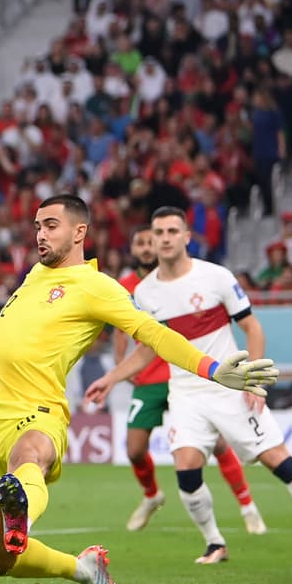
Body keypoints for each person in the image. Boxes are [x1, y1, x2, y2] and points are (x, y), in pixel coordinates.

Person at [0, 195, 279, 584]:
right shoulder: (34, 276)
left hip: (38, 411)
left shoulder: (98, 287)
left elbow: (154, 333)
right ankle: (82, 569)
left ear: (79, 232)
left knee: (29, 456)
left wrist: (214, 368)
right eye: (37, 226)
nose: (40, 234)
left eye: (51, 225)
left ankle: (23, 512)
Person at [86, 207, 292, 564]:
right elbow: (147, 350)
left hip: (228, 386)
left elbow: (253, 328)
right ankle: (215, 542)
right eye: (159, 232)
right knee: (186, 469)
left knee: (278, 461)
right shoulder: (145, 293)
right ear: (152, 239)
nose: (166, 238)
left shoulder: (216, 277)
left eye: (173, 231)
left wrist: (254, 382)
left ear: (187, 236)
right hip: (185, 393)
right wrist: (111, 378)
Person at [113, 225, 266, 535]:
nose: (145, 248)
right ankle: (152, 496)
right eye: (140, 242)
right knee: (134, 449)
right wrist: (120, 367)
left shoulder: (181, 277)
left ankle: (247, 506)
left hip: (186, 375)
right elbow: (122, 331)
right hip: (150, 378)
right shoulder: (128, 286)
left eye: (149, 241)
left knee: (219, 445)